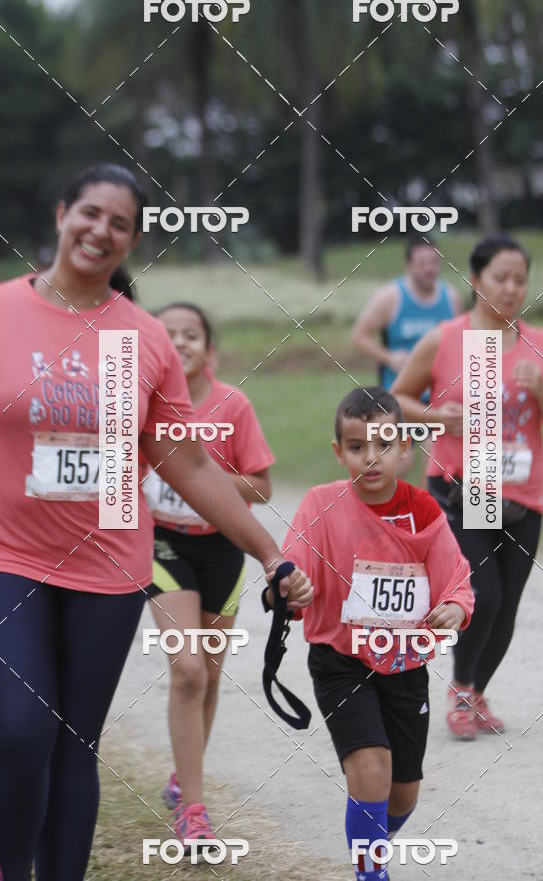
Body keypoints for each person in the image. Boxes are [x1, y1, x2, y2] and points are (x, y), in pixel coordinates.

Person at [0, 163, 312, 881]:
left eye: (120, 224)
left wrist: (269, 553)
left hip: (106, 568)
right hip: (11, 556)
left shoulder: (137, 339)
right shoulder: (7, 312)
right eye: (91, 213)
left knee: (73, 745)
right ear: (61, 214)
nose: (100, 231)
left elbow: (190, 465)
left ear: (133, 242)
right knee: (18, 732)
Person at [274, 387, 473, 881]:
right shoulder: (321, 505)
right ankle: (371, 872)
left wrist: (453, 606)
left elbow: (456, 577)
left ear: (405, 448)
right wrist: (290, 589)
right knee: (369, 769)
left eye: (385, 445)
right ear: (339, 452)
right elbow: (292, 568)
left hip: (404, 664)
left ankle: (372, 843)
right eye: (357, 446)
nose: (371, 457)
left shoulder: (424, 511)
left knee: (401, 793)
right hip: (340, 661)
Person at [391, 235, 543, 739]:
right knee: (484, 594)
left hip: (522, 491)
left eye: (520, 280)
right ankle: (461, 688)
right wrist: (437, 417)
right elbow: (395, 398)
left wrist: (542, 391)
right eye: (501, 278)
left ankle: (472, 693)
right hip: (465, 483)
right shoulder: (447, 339)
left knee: (507, 605)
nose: (511, 288)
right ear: (475, 280)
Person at [142, 302, 276, 843]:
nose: (180, 342)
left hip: (222, 549)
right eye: (169, 333)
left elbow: (262, 487)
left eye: (191, 334)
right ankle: (193, 813)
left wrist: (206, 478)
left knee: (212, 676)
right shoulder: (141, 401)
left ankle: (185, 776)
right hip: (163, 546)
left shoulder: (232, 404)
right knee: (189, 670)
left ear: (210, 349)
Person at [351, 238, 461, 480]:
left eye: (434, 262)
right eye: (422, 263)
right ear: (408, 266)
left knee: (436, 458)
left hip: (437, 398)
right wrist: (388, 356)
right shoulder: (390, 297)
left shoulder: (451, 298)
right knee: (400, 464)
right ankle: (371, 500)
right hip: (398, 396)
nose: (429, 269)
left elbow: (460, 342)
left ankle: (432, 504)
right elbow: (359, 336)